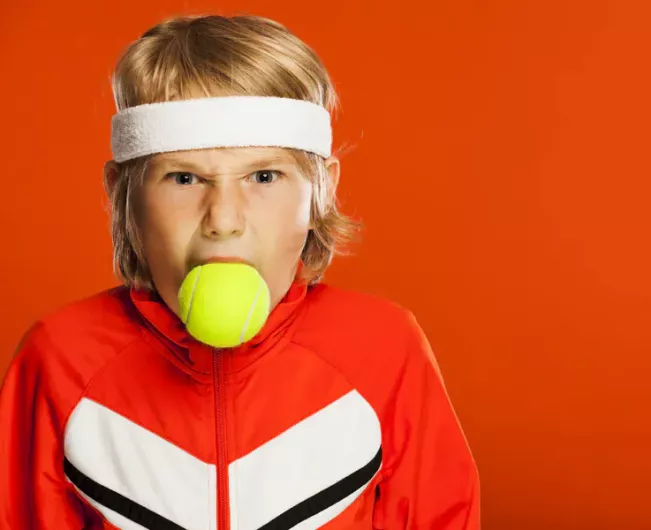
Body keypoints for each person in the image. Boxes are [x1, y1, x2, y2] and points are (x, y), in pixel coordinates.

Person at [0, 14, 480, 530]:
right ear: (123, 193)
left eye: (264, 176)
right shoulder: (58, 361)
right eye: (183, 177)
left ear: (320, 190)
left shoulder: (385, 349)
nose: (223, 220)